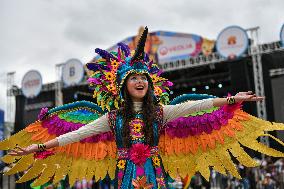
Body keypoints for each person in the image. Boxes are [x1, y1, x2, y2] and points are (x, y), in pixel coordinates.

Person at [3, 27, 280, 189]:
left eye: (143, 78)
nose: (139, 81)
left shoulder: (161, 112)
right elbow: (74, 136)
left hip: (155, 172)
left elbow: (200, 104)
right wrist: (36, 147)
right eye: (133, 78)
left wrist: (232, 100)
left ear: (150, 84)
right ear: (124, 85)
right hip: (125, 175)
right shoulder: (112, 118)